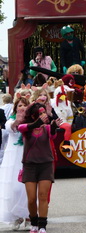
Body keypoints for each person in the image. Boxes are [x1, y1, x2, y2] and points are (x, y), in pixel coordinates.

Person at [18, 103, 61, 233]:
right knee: (31, 199)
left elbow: (52, 135)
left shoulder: (46, 128)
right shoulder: (26, 128)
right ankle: (34, 222)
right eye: (41, 113)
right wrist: (36, 123)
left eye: (44, 112)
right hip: (29, 165)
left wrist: (53, 127)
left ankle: (42, 225)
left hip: (46, 165)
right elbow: (21, 127)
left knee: (43, 196)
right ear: (33, 115)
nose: (44, 115)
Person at [0, 96, 30, 230]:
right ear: (15, 108)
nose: (22, 108)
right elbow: (10, 128)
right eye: (20, 106)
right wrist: (17, 121)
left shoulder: (32, 121)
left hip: (28, 155)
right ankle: (16, 216)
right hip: (13, 158)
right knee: (15, 188)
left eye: (25, 105)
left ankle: (29, 216)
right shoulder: (10, 120)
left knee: (28, 187)